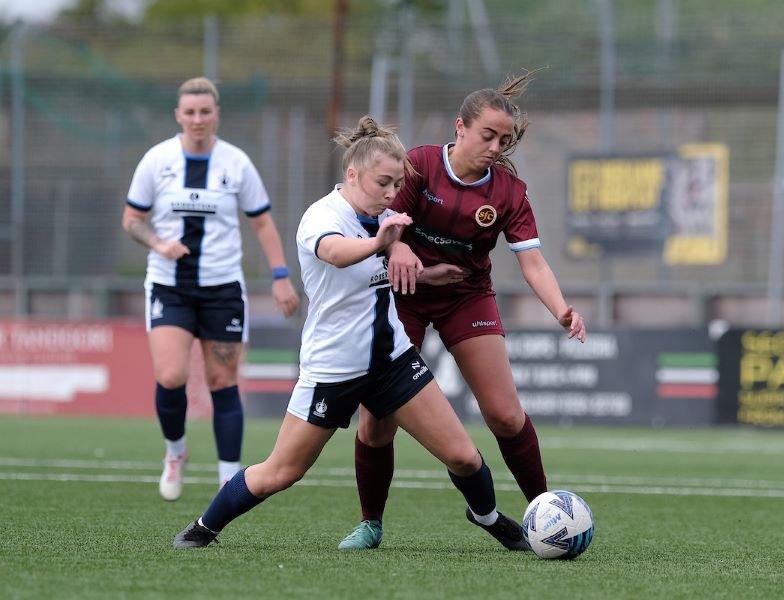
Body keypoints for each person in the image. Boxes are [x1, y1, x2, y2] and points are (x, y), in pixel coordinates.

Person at [172, 116, 529, 551]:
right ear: (353, 174)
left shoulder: (384, 216)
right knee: (281, 472)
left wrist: (427, 274)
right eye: (383, 182)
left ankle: (488, 517)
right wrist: (384, 242)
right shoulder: (323, 216)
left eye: (397, 184)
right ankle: (203, 527)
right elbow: (337, 253)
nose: (391, 193)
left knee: (463, 456)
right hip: (333, 369)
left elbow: (380, 269)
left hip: (393, 363)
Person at [338, 71, 586, 550]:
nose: (496, 147)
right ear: (460, 127)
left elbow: (532, 262)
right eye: (487, 135)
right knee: (375, 422)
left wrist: (561, 309)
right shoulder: (419, 166)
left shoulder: (510, 192)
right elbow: (378, 216)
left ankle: (546, 516)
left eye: (504, 139)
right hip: (402, 296)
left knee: (505, 416)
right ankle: (371, 522)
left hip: (465, 297)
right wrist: (397, 250)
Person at [122, 77, 300, 501]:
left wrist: (280, 276)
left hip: (222, 289)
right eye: (190, 112)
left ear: (216, 114)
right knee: (171, 376)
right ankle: (175, 453)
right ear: (178, 116)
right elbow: (131, 219)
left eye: (205, 111)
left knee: (223, 380)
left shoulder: (236, 163)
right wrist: (159, 243)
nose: (198, 119)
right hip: (170, 287)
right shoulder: (157, 160)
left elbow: (262, 222)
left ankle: (228, 479)